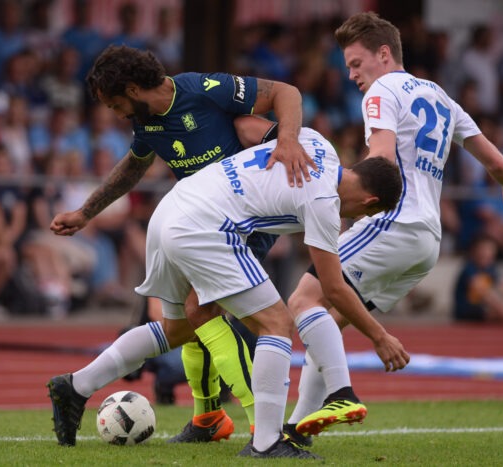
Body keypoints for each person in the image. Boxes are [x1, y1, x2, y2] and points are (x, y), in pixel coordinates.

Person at [51, 126, 405, 458]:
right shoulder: (324, 202)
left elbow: (248, 125)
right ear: (370, 201)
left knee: (177, 330)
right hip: (205, 227)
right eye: (364, 214)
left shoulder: (315, 142)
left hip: (173, 207)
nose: (354, 217)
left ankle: (77, 385)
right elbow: (334, 289)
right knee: (277, 324)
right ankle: (267, 442)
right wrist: (380, 337)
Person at [46, 44, 316, 447]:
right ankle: (263, 432)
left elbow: (285, 92)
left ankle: (84, 387)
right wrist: (86, 212)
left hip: (239, 221)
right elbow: (134, 165)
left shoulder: (203, 90)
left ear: (133, 90)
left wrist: (288, 140)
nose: (115, 114)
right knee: (215, 315)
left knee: (188, 322)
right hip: (202, 224)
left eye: (115, 104)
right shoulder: (146, 122)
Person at [283, 12, 503, 445]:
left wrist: (333, 189)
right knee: (330, 320)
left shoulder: (382, 91)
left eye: (356, 63)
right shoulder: (441, 96)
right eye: (348, 67)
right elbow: (495, 161)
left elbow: (381, 159)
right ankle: (297, 430)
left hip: (393, 222)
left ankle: (341, 396)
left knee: (304, 300)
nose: (352, 74)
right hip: (427, 241)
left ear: (384, 54)